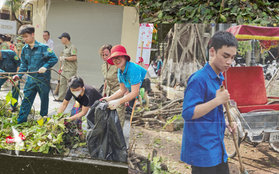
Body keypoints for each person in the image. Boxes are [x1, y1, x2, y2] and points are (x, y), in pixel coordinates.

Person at [180, 31, 238, 174]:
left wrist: (225, 122)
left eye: (232, 57)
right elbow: (187, 113)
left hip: (217, 147)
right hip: (202, 151)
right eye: (225, 56)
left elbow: (210, 113)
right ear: (212, 51)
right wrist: (217, 100)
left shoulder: (219, 78)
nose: (229, 62)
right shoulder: (199, 79)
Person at [12, 25, 58, 124]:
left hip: (43, 80)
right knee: (26, 100)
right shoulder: (25, 49)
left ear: (33, 34)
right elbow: (24, 65)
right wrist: (18, 75)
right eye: (23, 37)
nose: (24, 39)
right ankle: (21, 121)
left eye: (26, 36)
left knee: (44, 101)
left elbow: (54, 58)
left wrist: (45, 67)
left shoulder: (44, 48)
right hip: (31, 80)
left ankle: (43, 120)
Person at [101, 45, 147, 113]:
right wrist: (110, 98)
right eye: (114, 58)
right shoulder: (120, 71)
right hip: (136, 95)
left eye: (119, 57)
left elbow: (135, 92)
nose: (117, 60)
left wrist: (118, 102)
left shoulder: (133, 69)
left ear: (125, 57)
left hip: (145, 94)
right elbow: (122, 90)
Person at [100, 44, 126, 128]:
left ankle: (118, 138)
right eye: (103, 55)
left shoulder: (117, 65)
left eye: (106, 55)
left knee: (118, 116)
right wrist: (104, 91)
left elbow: (126, 80)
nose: (104, 57)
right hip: (109, 92)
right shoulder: (103, 66)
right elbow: (106, 80)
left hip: (119, 92)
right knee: (109, 115)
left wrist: (126, 95)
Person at [55, 32, 77, 102]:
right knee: (62, 84)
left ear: (66, 38)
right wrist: (62, 66)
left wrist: (65, 58)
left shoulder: (72, 47)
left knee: (71, 85)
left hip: (70, 70)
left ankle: (76, 101)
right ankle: (61, 98)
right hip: (65, 69)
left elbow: (74, 58)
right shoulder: (65, 48)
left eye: (61, 38)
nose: (61, 40)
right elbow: (66, 60)